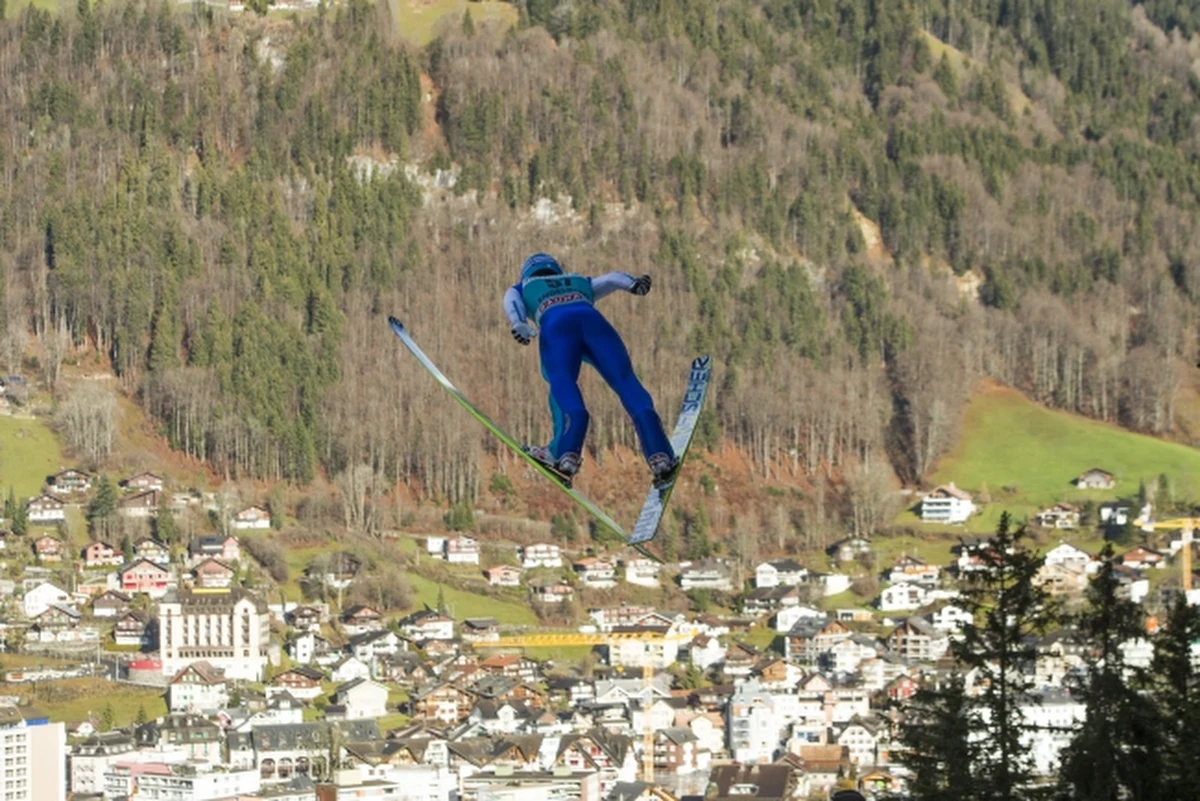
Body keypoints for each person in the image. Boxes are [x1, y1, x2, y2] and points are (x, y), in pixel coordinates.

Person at [504, 252, 678, 488]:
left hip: (556, 327)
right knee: (627, 382)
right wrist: (634, 284)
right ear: (555, 269)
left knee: (561, 383)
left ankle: (565, 453)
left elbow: (512, 302)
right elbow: (612, 279)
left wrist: (518, 323)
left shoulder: (523, 286)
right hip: (594, 324)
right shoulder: (577, 280)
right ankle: (661, 456)